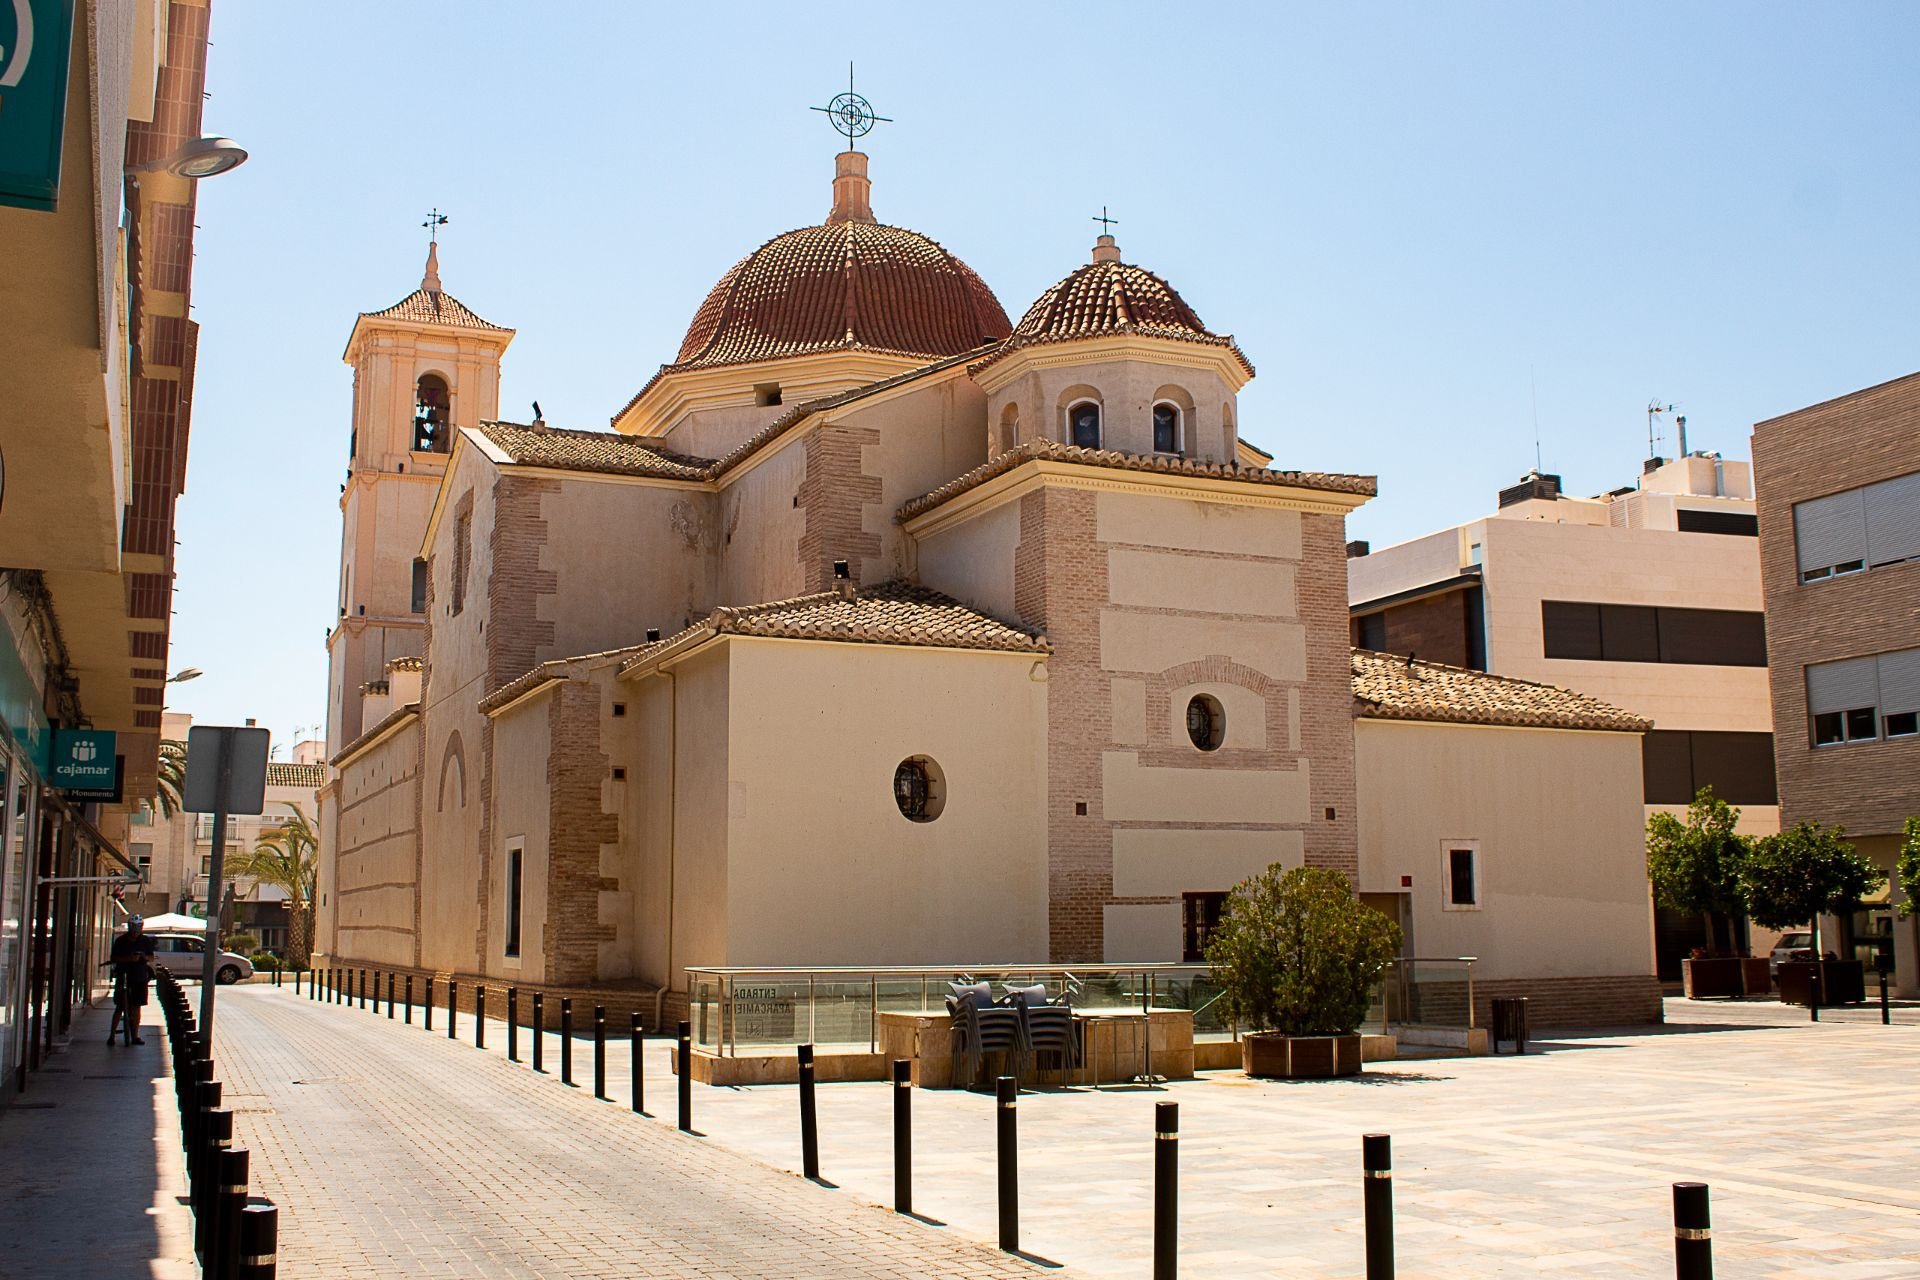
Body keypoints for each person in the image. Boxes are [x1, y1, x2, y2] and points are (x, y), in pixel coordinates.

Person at [105, 916, 158, 1045]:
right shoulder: (121, 941)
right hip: (124, 976)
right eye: (134, 927)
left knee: (137, 1007)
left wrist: (142, 957)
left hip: (139, 977)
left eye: (138, 927)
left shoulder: (145, 940)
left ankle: (135, 1035)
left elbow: (151, 957)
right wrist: (129, 959)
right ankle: (111, 1035)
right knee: (120, 1006)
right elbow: (114, 957)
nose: (136, 931)